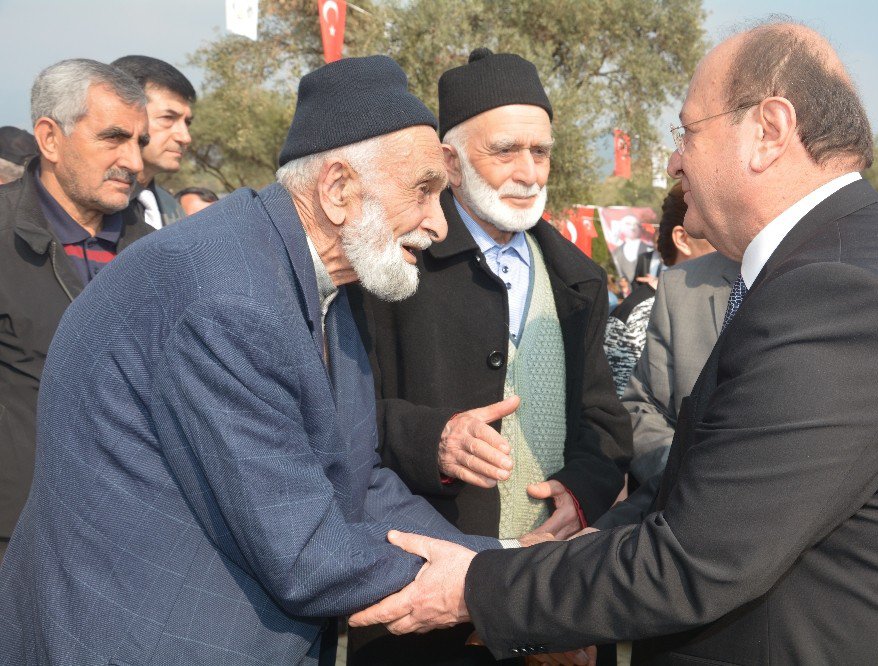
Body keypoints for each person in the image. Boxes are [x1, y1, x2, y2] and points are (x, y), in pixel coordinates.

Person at [350, 21, 878, 664]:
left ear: (768, 132)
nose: (674, 160)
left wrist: (478, 585)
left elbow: (699, 556)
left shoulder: (838, 295)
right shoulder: (851, 265)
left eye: (688, 130)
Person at [0, 55, 506, 666]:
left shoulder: (313, 275)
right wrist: (502, 585)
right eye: (423, 191)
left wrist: (501, 563)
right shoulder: (226, 294)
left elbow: (357, 479)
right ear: (339, 189)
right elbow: (306, 552)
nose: (436, 223)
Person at [346, 47, 630, 664]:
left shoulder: (578, 278)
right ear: (449, 161)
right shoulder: (390, 269)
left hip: (552, 591)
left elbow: (606, 426)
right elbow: (336, 412)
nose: (529, 171)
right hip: (423, 593)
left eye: (541, 151)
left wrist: (575, 496)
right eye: (505, 151)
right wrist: (433, 439)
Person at [0, 59, 152, 562]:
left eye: (140, 142)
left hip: (131, 542)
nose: (133, 161)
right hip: (15, 544)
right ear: (49, 138)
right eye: (113, 137)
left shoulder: (165, 257)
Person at [603, 183, 717, 396]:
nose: (725, 238)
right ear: (683, 239)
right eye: (715, 228)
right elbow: (622, 415)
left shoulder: (735, 296)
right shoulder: (636, 318)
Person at [112, 55, 194, 229]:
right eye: (168, 118)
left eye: (187, 122)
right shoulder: (88, 203)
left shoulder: (173, 209)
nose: (185, 137)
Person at [611, 214, 653, 283]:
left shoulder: (650, 249)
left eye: (635, 224)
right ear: (621, 227)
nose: (632, 227)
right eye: (628, 224)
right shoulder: (616, 252)